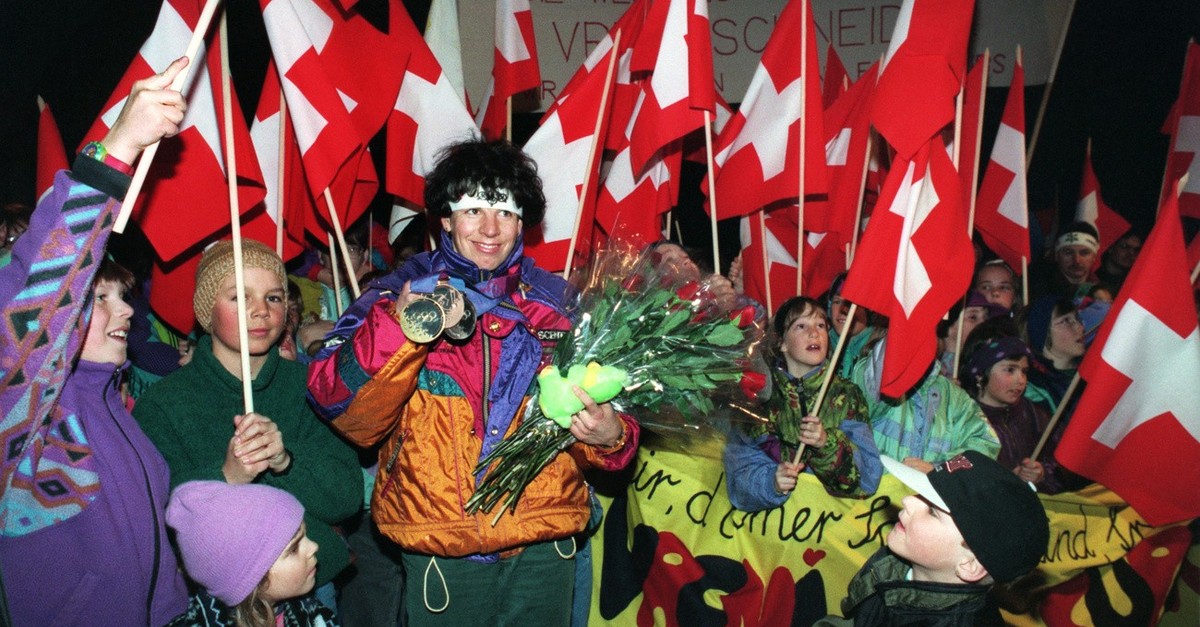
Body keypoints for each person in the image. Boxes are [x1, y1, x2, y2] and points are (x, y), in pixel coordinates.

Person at [308, 139, 640, 626]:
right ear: (445, 218)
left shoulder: (557, 304)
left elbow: (618, 417)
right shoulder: (395, 294)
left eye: (505, 211)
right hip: (442, 545)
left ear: (522, 221)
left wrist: (612, 436)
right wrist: (402, 326)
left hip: (545, 545)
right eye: (473, 209)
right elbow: (345, 410)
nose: (490, 228)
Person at [0, 59, 191, 625]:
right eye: (98, 299)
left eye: (122, 296)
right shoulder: (26, 417)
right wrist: (117, 151)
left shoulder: (115, 401)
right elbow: (35, 306)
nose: (127, 310)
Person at [133, 239, 362, 610]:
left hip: (310, 585)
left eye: (273, 298)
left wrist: (287, 461)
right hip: (214, 601)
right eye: (240, 297)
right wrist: (227, 475)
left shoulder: (309, 388)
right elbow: (159, 517)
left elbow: (345, 499)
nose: (260, 311)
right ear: (208, 309)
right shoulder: (163, 405)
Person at [814, 450, 1050, 626]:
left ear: (969, 564)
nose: (908, 501)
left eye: (933, 511)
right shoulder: (896, 564)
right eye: (920, 493)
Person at [724, 297, 882, 511]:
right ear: (782, 343)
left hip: (825, 532)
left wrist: (826, 444)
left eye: (821, 326)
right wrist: (772, 483)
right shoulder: (758, 397)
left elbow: (868, 479)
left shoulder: (846, 395)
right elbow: (738, 480)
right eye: (801, 326)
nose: (814, 333)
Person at [165, 481, 336, 626]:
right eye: (293, 548)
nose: (314, 546)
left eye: (305, 536)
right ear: (250, 579)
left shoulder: (308, 610)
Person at [852, 339, 1001, 472]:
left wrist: (940, 470)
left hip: (927, 499)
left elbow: (986, 444)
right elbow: (871, 381)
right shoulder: (874, 382)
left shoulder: (954, 397)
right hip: (875, 498)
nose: (921, 336)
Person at [959, 335, 1065, 494]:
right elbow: (955, 469)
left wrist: (1042, 473)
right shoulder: (962, 419)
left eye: (1024, 371)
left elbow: (1062, 461)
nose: (1021, 380)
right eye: (1010, 370)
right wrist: (1007, 478)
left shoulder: (1033, 414)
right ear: (980, 374)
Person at [1030, 221, 1101, 300]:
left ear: (1094, 257)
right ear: (1056, 256)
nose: (1077, 260)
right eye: (1068, 253)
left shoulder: (1104, 293)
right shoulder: (1034, 289)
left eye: (1084, 253)